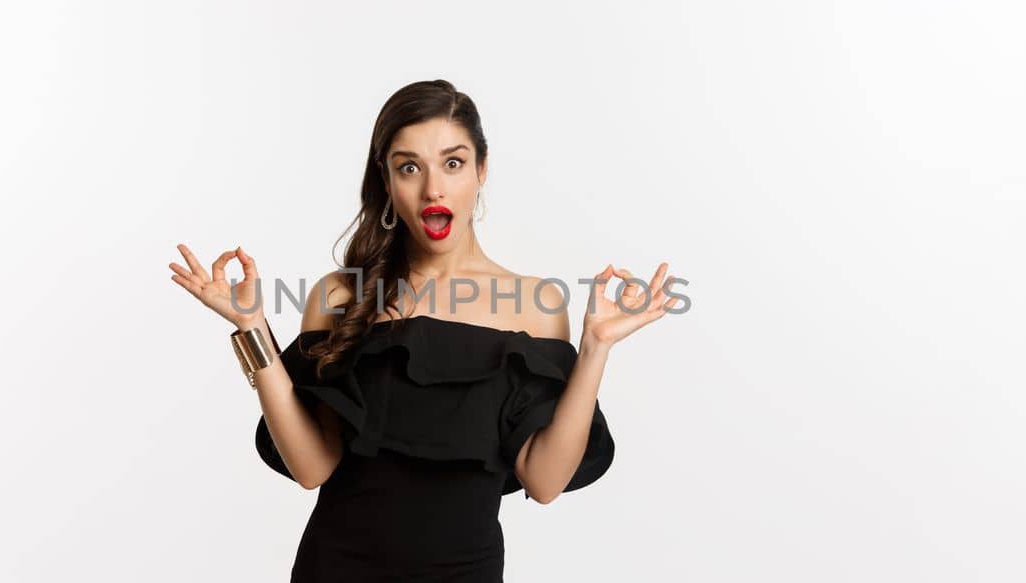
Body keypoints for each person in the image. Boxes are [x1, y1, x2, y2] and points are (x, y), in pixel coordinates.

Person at [168, 79, 679, 582]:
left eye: (452, 163)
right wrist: (252, 326)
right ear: (387, 183)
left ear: (481, 170)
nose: (433, 188)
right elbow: (311, 467)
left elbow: (545, 482)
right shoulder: (339, 295)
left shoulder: (535, 304)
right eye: (409, 167)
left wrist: (595, 347)